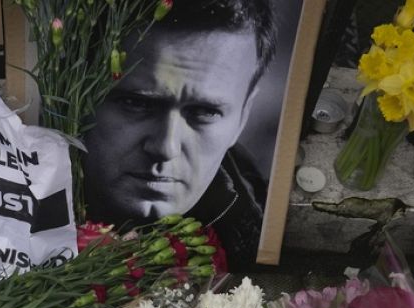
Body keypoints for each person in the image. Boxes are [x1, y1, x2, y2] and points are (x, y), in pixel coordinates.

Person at [83, 0, 277, 267]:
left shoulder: (262, 234)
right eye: (136, 104)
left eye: (204, 112)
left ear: (243, 117)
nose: (166, 147)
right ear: (79, 98)